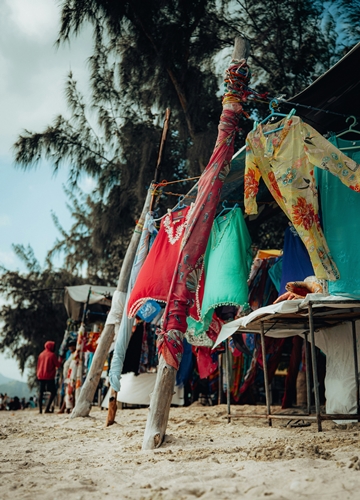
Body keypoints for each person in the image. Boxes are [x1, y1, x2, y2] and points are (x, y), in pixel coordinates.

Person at [36, 340, 61, 414]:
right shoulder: (52, 355)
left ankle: (40, 410)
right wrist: (60, 360)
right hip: (49, 376)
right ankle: (47, 408)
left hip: (41, 376)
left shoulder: (41, 354)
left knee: (41, 392)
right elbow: (58, 365)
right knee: (53, 392)